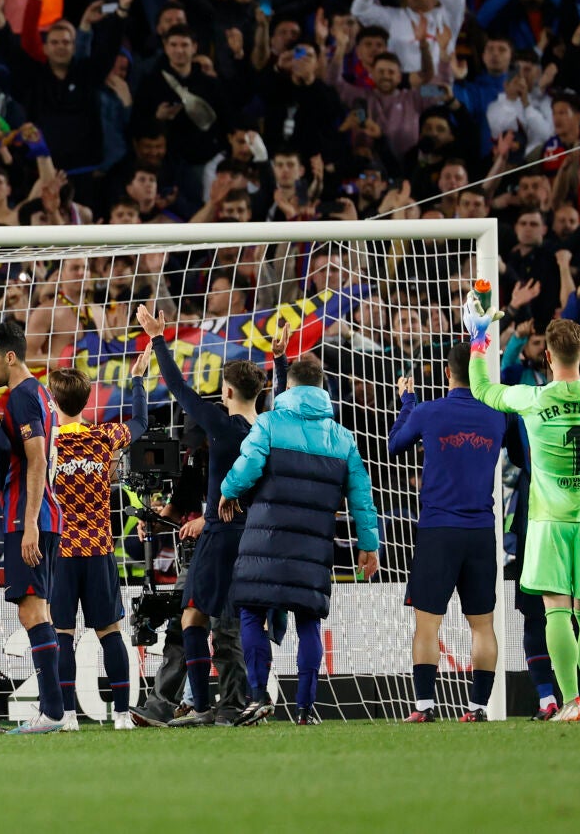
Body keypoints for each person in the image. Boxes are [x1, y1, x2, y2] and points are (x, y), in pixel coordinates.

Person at [467, 302, 580, 722]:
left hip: (548, 521)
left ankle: (570, 701)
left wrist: (478, 340)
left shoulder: (532, 398)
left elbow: (482, 389)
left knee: (556, 612)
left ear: (547, 356)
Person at [222, 355, 381, 726]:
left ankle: (258, 696)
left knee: (252, 612)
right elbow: (362, 496)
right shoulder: (343, 438)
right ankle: (306, 708)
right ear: (322, 389)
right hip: (313, 547)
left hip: (265, 540)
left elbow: (248, 467)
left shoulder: (269, 423)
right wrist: (368, 544)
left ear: (289, 387)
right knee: (309, 621)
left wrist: (228, 491)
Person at [135, 302, 262, 727]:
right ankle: (236, 703)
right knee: (232, 622)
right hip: (254, 536)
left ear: (227, 393)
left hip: (219, 535)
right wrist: (280, 362)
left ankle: (203, 707)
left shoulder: (222, 427)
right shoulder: (268, 429)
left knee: (193, 616)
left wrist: (158, 338)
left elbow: (177, 386)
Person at [388, 346, 515, 722]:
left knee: (428, 624)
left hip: (438, 531)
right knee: (483, 624)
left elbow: (394, 445)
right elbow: (521, 456)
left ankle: (424, 707)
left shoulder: (428, 412)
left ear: (447, 373)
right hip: (481, 532)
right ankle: (478, 708)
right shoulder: (498, 414)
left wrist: (407, 402)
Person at [0, 319, 66, 734]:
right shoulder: (39, 392)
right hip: (44, 514)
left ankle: (52, 711)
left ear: (10, 357)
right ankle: (54, 709)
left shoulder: (23, 396)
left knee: (31, 612)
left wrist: (28, 523)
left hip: (28, 516)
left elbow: (37, 458)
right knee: (39, 611)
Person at [45, 367, 149, 730]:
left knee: (61, 634)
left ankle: (67, 716)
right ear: (86, 400)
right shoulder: (104, 436)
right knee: (109, 633)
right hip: (99, 549)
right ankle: (121, 714)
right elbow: (140, 422)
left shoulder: (47, 442)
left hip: (61, 552)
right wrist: (138, 380)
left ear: (52, 400)